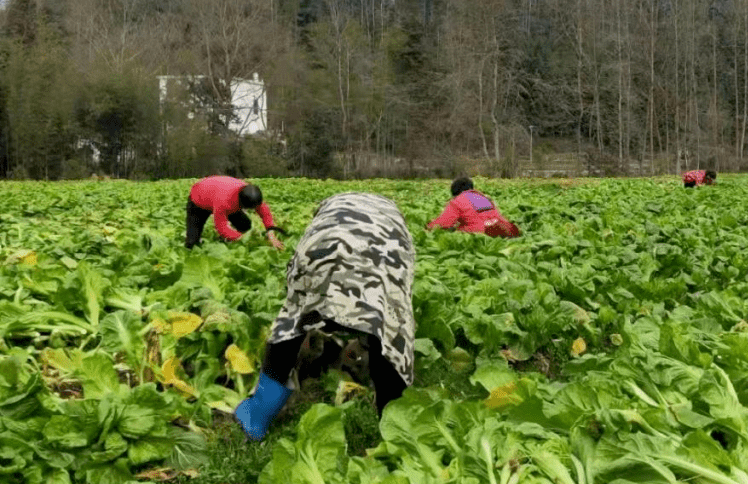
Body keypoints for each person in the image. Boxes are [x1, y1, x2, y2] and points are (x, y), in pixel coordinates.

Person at [235, 192, 415, 441]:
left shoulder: (328, 209)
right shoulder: (393, 216)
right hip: (382, 255)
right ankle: (394, 427)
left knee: (294, 318)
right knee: (386, 326)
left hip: (322, 246)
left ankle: (259, 414)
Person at [185, 175, 284, 250]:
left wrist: (271, 235)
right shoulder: (224, 201)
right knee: (192, 243)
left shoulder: (250, 193)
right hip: (198, 200)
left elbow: (265, 213)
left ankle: (225, 240)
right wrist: (243, 238)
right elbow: (221, 227)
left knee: (245, 225)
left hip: (221, 194)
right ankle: (202, 241)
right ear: (241, 203)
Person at [426, 177, 521, 237]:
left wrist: (429, 226)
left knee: (453, 233)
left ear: (455, 193)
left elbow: (444, 223)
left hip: (481, 234)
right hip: (503, 230)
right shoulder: (484, 198)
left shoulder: (457, 201)